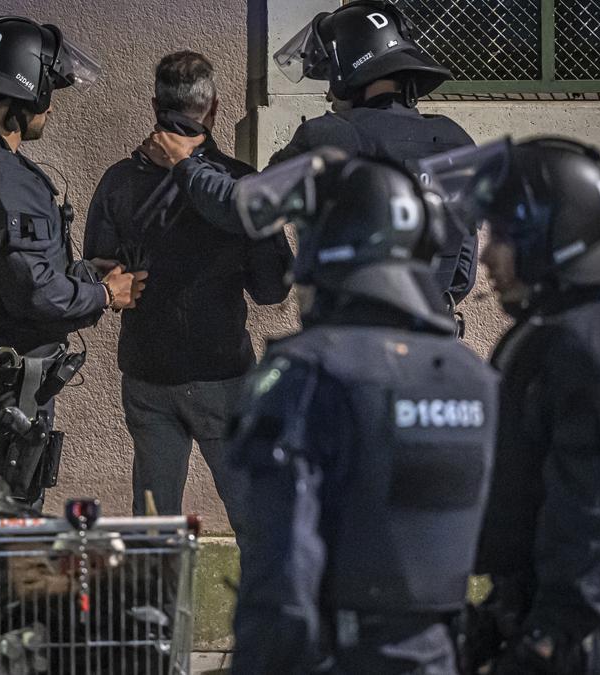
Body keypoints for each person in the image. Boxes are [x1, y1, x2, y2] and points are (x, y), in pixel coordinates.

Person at [226, 149, 497, 674]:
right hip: (440, 653)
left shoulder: (309, 372)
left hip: (344, 653)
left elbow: (284, 567)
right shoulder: (475, 377)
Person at [443, 137, 600, 674]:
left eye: (502, 236)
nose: (485, 254)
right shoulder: (549, 335)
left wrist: (547, 638)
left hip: (587, 636)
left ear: (547, 236)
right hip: (546, 614)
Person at [0, 16, 146, 503]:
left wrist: (84, 272)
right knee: (8, 519)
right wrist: (107, 293)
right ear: (27, 96)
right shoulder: (6, 178)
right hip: (15, 383)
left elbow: (6, 266)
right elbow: (36, 293)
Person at [140, 0, 479, 309]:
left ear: (351, 67)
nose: (330, 92)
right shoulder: (455, 141)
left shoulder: (333, 136)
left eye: (330, 73)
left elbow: (244, 208)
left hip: (354, 346)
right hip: (435, 347)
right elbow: (463, 266)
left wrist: (183, 163)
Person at [82, 51, 290, 538]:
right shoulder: (240, 184)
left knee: (154, 526)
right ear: (214, 107)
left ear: (155, 104)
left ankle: (153, 612)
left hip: (148, 372)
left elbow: (100, 272)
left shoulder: (119, 181)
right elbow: (270, 289)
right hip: (224, 372)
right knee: (255, 519)